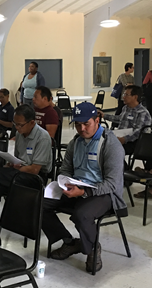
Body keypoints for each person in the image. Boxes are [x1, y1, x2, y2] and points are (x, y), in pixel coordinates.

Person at [42, 103, 126, 273]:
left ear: (97, 120)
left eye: (86, 124)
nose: (81, 128)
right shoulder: (76, 142)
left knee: (82, 214)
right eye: (78, 124)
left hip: (103, 193)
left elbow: (112, 183)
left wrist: (85, 191)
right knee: (40, 204)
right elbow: (65, 168)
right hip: (77, 187)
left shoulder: (111, 144)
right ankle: (70, 242)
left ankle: (93, 248)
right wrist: (65, 182)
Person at [0, 104, 52, 246]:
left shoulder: (43, 137)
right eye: (15, 124)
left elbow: (35, 169)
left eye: (20, 125)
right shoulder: (19, 134)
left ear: (31, 122)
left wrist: (17, 168)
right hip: (20, 173)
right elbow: (19, 159)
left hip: (35, 178)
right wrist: (12, 164)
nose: (17, 128)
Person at [99, 85, 152, 156]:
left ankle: (122, 167)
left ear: (135, 97)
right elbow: (120, 119)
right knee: (100, 144)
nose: (123, 97)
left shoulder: (142, 113)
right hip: (121, 137)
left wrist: (124, 139)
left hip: (134, 142)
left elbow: (139, 132)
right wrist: (104, 116)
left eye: (126, 95)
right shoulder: (125, 108)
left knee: (111, 150)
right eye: (124, 94)